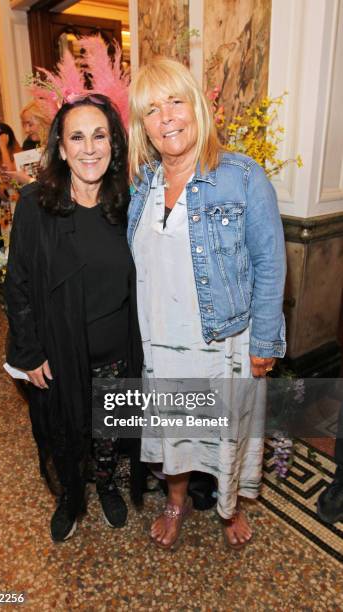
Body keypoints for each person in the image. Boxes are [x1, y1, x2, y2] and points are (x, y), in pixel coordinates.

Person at [128, 58, 287, 550]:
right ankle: (176, 502)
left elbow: (270, 261)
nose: (167, 116)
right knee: (175, 433)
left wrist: (265, 339)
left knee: (227, 433)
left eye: (176, 100)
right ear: (143, 126)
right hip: (162, 342)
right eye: (152, 109)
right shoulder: (142, 186)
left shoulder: (241, 175)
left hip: (223, 343)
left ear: (196, 106)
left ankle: (228, 506)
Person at [4, 94, 142, 542]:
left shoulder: (128, 204)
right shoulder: (35, 206)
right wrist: (28, 350)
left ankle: (104, 484)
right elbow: (19, 283)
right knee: (65, 430)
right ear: (61, 149)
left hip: (117, 353)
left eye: (99, 135)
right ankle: (69, 497)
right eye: (76, 137)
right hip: (60, 353)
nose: (89, 147)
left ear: (113, 143)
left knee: (107, 433)